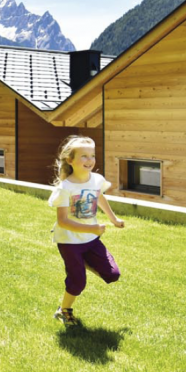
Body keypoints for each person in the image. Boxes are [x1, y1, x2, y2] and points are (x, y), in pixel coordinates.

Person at [48, 135, 124, 325]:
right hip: (69, 241)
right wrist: (93, 228)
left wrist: (114, 219)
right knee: (78, 281)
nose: (90, 160)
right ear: (70, 160)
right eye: (84, 156)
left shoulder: (96, 180)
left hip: (90, 240)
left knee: (113, 274)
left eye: (92, 155)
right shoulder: (65, 188)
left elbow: (99, 197)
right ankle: (64, 310)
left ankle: (83, 262)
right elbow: (63, 221)